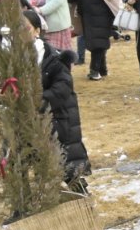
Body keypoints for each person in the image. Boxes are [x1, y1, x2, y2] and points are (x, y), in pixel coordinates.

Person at [22, 10, 90, 190]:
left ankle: (82, 204)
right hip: (29, 123)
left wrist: (37, 102)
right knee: (40, 166)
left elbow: (63, 89)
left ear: (37, 30)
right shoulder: (9, 59)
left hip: (58, 120)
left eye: (25, 28)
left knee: (67, 168)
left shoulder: (53, 57)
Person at [66, 0, 122, 81]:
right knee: (94, 41)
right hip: (85, 16)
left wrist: (116, 14)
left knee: (98, 42)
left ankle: (94, 70)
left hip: (103, 15)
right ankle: (102, 69)